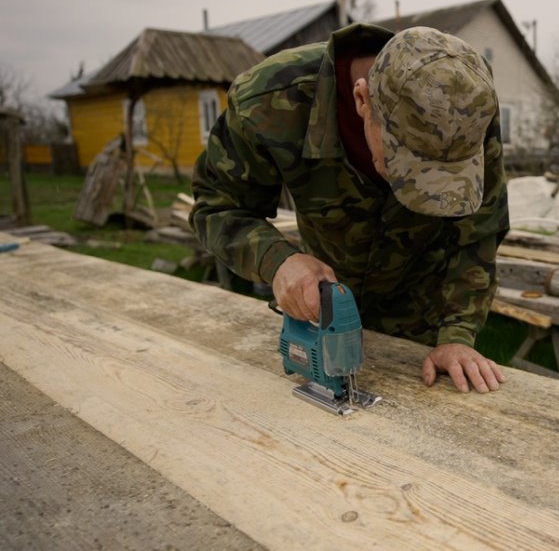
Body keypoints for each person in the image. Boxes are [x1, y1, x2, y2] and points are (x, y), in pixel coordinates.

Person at [190, 23, 509, 393]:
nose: (420, 184)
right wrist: (278, 261)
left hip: (421, 312)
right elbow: (217, 205)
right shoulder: (268, 101)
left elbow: (479, 230)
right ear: (362, 99)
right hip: (323, 306)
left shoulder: (468, 102)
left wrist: (457, 334)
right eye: (406, 164)